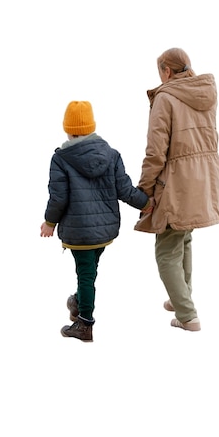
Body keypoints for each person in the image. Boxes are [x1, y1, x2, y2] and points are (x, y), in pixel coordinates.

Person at [41, 100, 152, 342]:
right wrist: (146, 203)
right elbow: (125, 190)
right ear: (92, 127)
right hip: (105, 229)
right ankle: (79, 301)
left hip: (78, 231)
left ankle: (85, 323)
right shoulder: (111, 155)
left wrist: (49, 222)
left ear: (67, 129)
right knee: (90, 270)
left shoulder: (61, 159)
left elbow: (58, 197)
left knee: (85, 274)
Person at [135, 47, 219, 332]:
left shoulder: (166, 97)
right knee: (183, 237)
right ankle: (180, 298)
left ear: (166, 71)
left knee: (165, 249)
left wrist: (144, 188)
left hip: (176, 181)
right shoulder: (205, 92)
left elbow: (156, 151)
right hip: (204, 178)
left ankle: (188, 316)